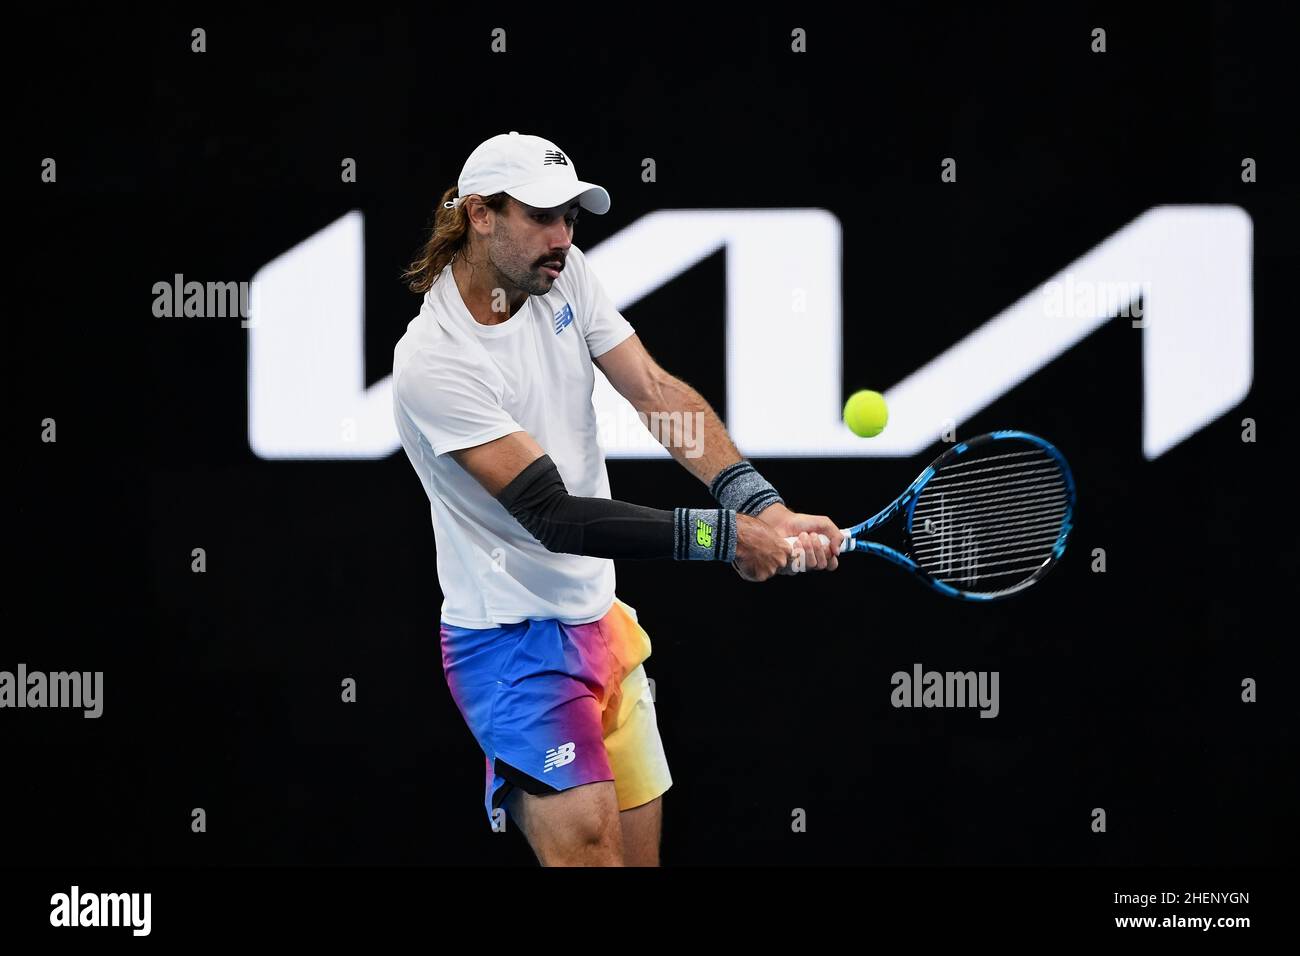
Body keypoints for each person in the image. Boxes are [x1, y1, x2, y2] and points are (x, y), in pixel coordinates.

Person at [392, 132, 842, 866]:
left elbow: (657, 394)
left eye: (571, 217)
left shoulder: (562, 274)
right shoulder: (434, 363)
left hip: (601, 624)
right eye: (542, 217)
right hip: (510, 647)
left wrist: (762, 505)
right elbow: (552, 515)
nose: (562, 238)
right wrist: (726, 538)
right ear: (479, 215)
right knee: (593, 846)